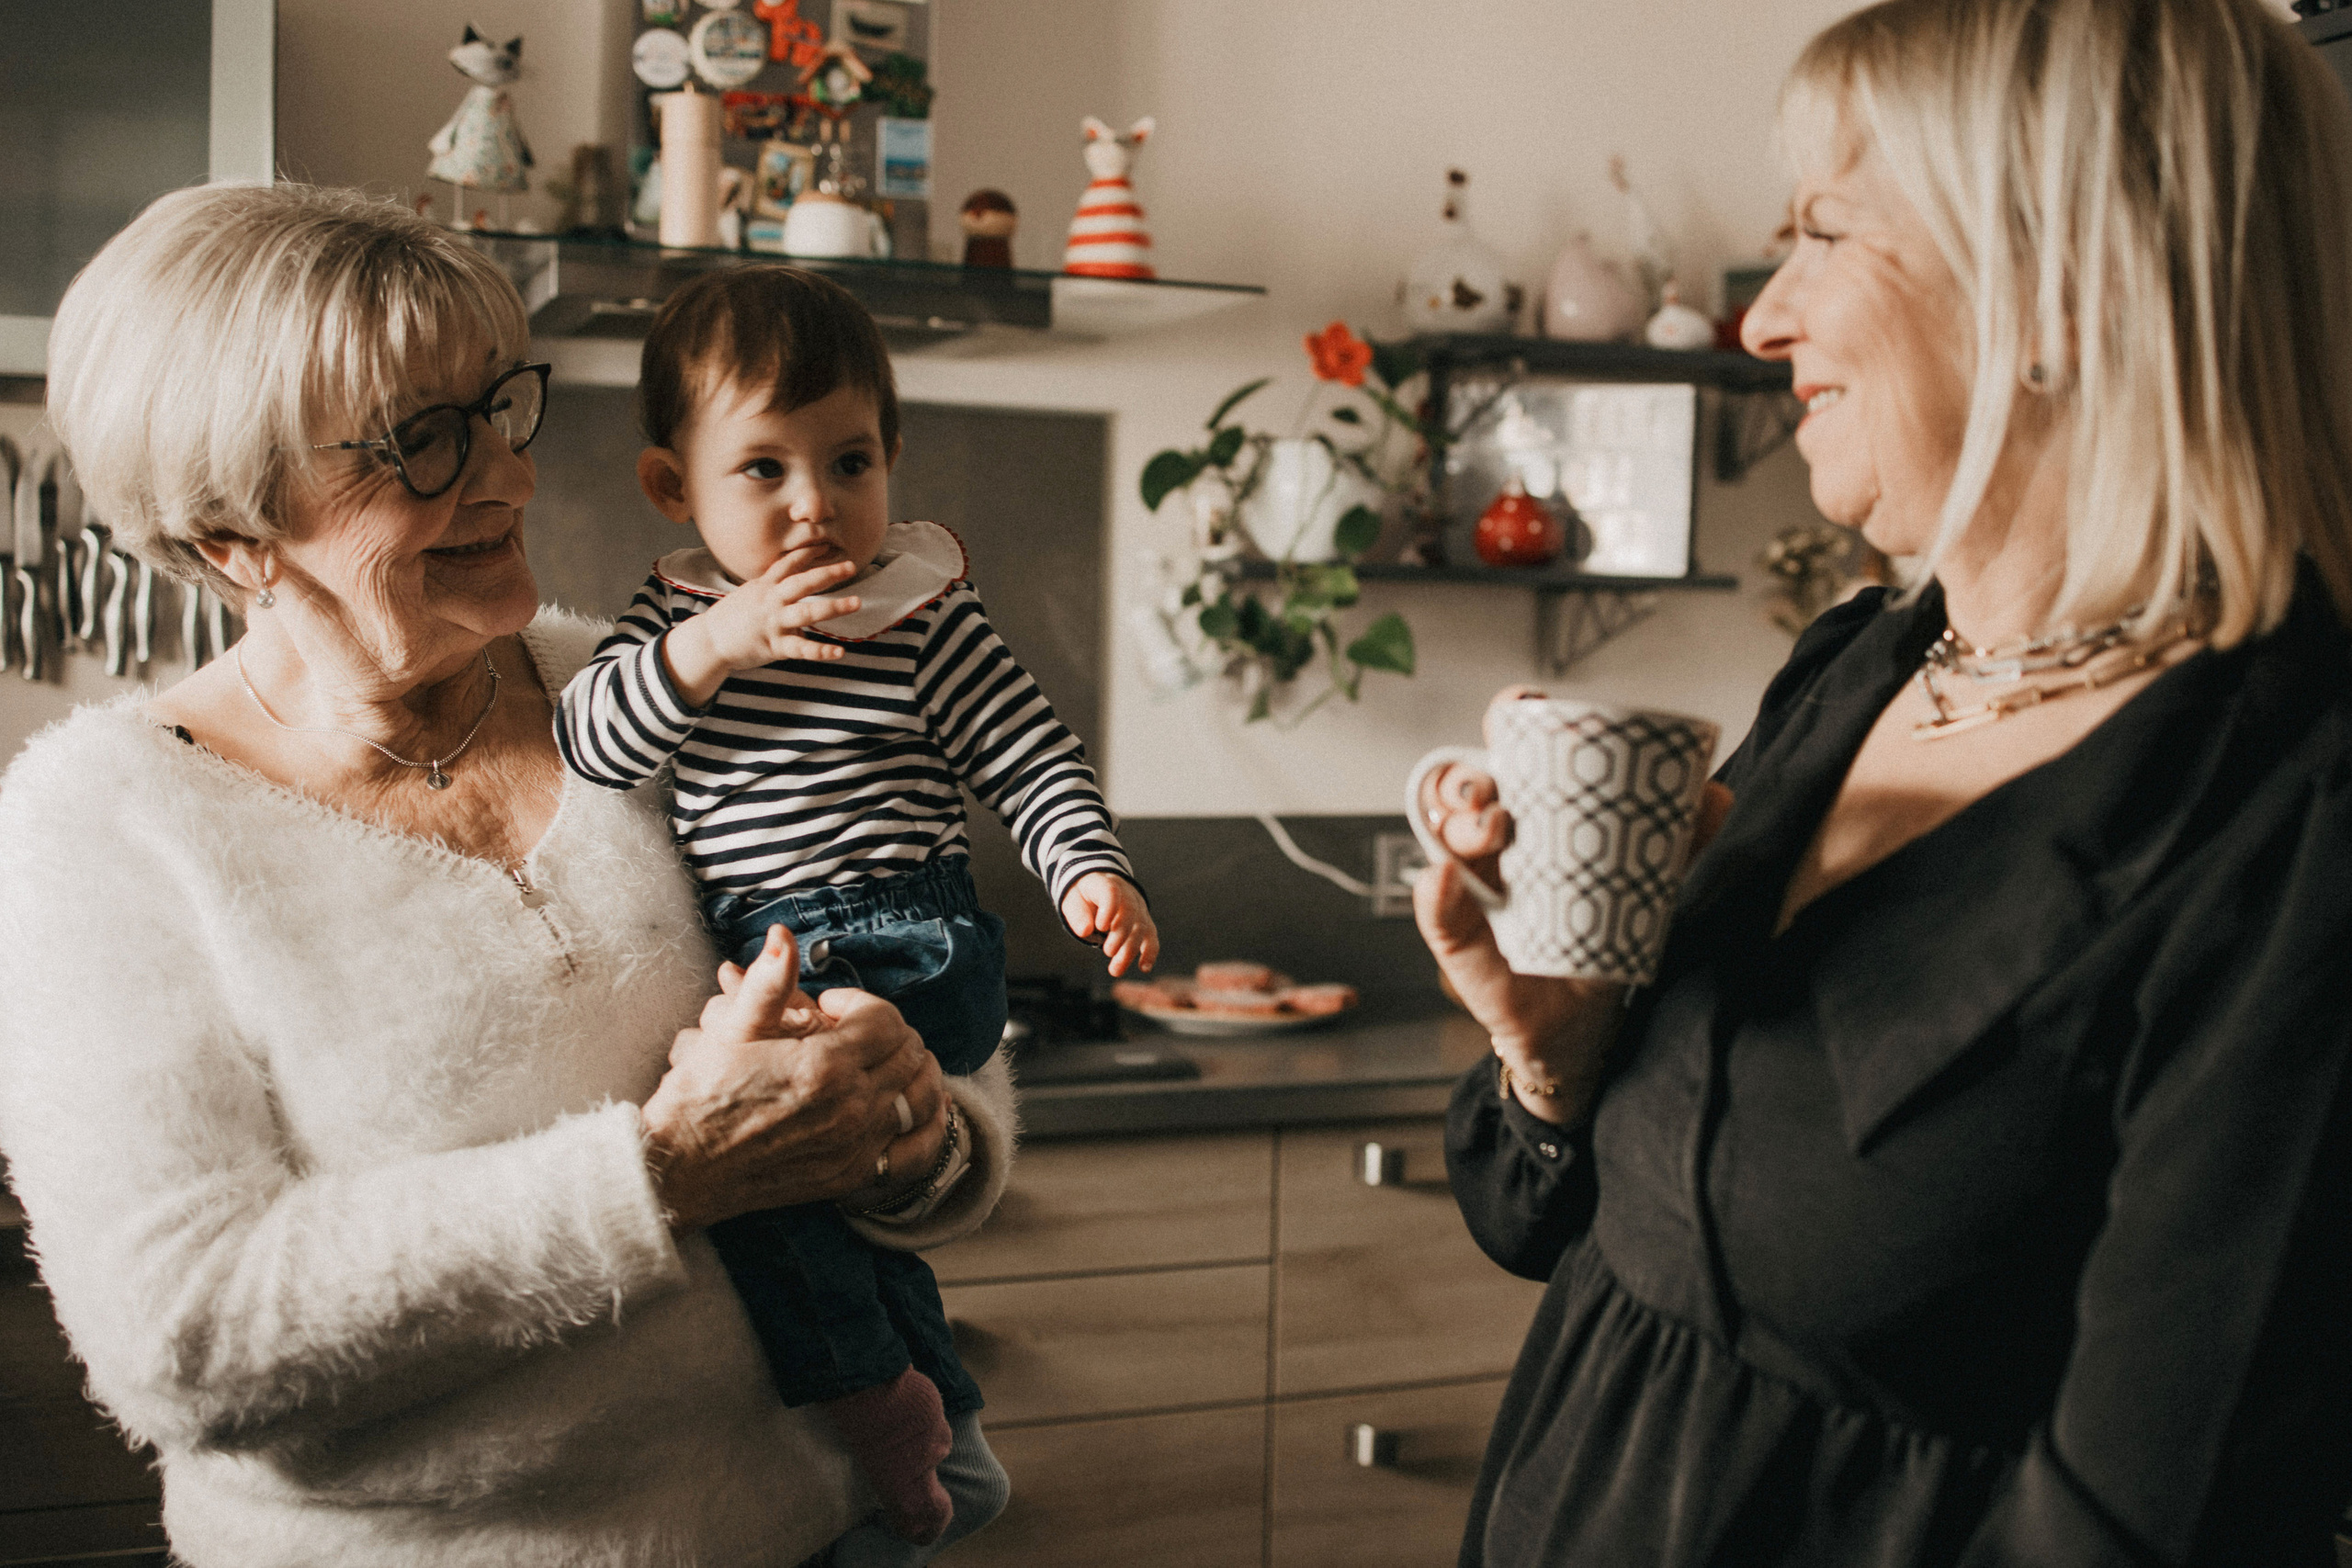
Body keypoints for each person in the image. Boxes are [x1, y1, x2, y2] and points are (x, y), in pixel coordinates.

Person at [1417, 1, 2352, 1562]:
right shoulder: (1852, 668)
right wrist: (1557, 1063)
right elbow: (1539, 1227)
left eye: (1820, 237)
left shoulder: (2288, 813)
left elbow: (2147, 1528)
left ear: (2059, 285)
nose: (1763, 320)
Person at [0, 181, 1021, 1568]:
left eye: (499, 407)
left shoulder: (662, 682)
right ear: (230, 534)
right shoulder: (102, 822)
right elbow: (185, 1337)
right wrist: (658, 1174)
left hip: (826, 1531)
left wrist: (906, 1128)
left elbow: (932, 1056)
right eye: (422, 443)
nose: (508, 474)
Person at [552, 263, 1157, 1556]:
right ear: (675, 488)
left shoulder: (925, 616)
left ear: (892, 460)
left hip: (906, 940)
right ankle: (941, 1415)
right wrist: (713, 647)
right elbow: (590, 748)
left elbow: (1031, 755)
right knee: (826, 1209)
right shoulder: (672, 625)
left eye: (850, 461)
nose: (815, 506)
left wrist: (1089, 869)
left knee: (758, 1179)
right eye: (762, 470)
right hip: (770, 947)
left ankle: (872, 1400)